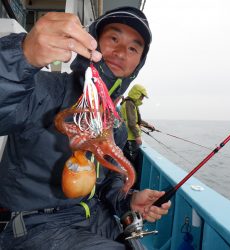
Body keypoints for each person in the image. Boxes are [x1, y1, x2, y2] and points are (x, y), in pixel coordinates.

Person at [0, 6, 171, 250]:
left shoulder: (117, 125)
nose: (122, 52)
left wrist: (129, 200)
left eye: (134, 48)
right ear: (93, 41)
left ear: (138, 64)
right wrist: (22, 56)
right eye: (113, 38)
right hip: (35, 226)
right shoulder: (45, 90)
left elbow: (110, 183)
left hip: (94, 218)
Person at [120, 84, 155, 188]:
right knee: (130, 164)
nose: (142, 98)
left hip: (128, 138)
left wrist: (148, 125)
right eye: (142, 96)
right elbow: (131, 123)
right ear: (137, 93)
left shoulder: (131, 104)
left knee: (130, 163)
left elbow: (136, 120)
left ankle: (130, 185)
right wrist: (137, 136)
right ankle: (130, 187)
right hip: (129, 139)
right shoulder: (129, 104)